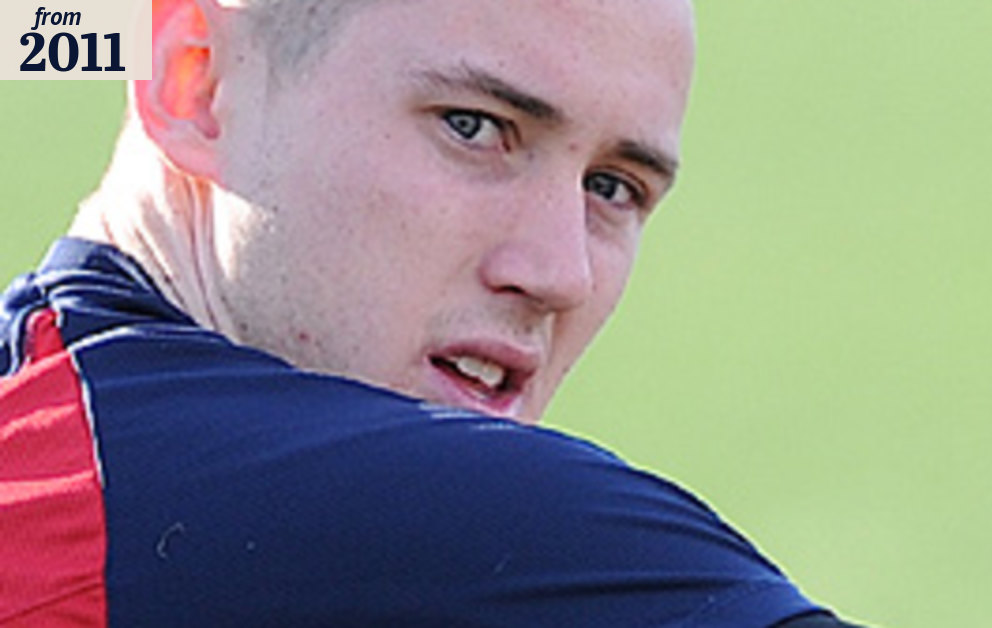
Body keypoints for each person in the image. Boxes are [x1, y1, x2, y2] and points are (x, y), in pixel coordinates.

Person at [0, 0, 865, 625]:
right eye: (474, 127)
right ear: (196, 81)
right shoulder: (501, 534)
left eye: (612, 187)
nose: (559, 273)